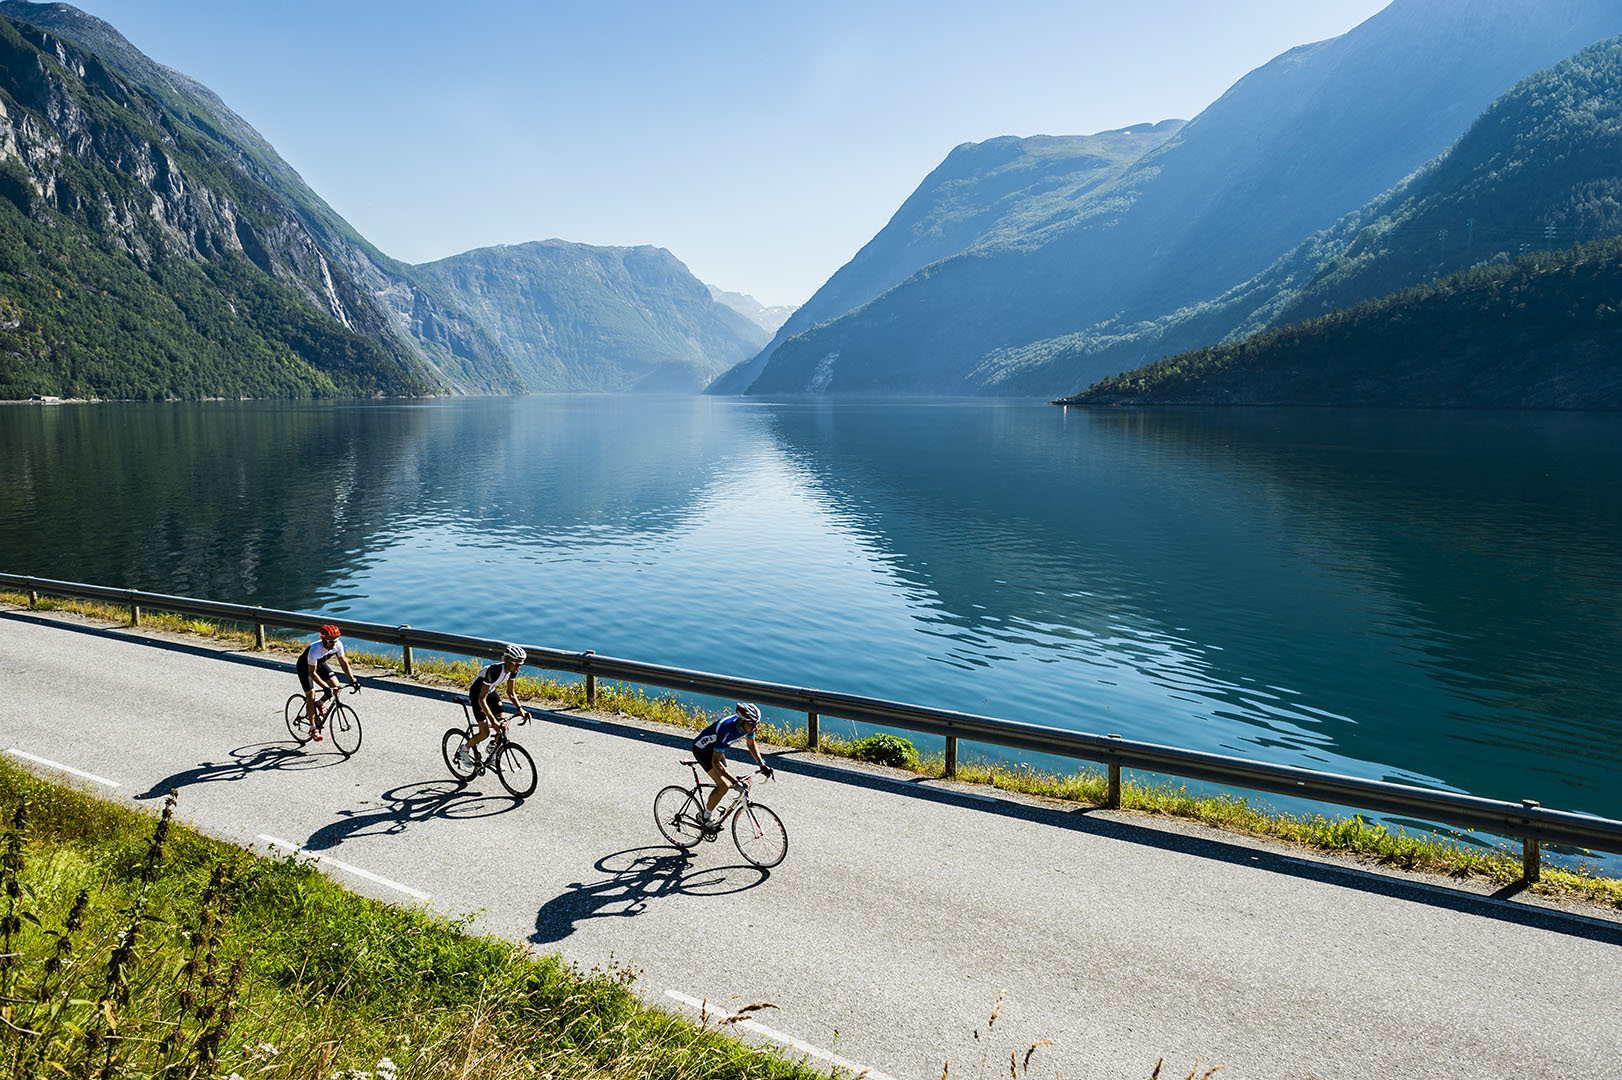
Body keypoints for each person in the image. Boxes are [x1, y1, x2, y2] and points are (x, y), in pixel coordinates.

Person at [691, 702, 773, 832]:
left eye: (757, 723)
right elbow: (715, 763)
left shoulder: (747, 726)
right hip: (703, 750)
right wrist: (735, 781)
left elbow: (751, 744)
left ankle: (711, 806)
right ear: (742, 721)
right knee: (724, 785)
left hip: (717, 750)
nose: (755, 727)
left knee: (727, 782)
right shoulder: (727, 731)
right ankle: (705, 817)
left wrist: (762, 764)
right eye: (752, 724)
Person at [457, 644, 533, 769]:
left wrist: (521, 710)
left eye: (521, 664)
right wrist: (492, 720)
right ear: (508, 661)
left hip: (491, 692)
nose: (519, 667)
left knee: (503, 727)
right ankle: (464, 750)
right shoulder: (494, 671)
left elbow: (510, 692)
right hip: (478, 695)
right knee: (485, 733)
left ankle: (493, 757)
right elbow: (482, 699)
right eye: (516, 664)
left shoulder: (513, 670)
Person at [299, 624, 359, 741]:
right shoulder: (314, 650)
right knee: (310, 695)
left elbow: (343, 663)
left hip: (320, 665)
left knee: (336, 687)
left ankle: (320, 703)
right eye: (331, 641)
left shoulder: (338, 645)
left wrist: (353, 679)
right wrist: (325, 686)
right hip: (305, 668)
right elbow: (312, 673)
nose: (334, 644)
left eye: (335, 641)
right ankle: (312, 728)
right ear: (323, 640)